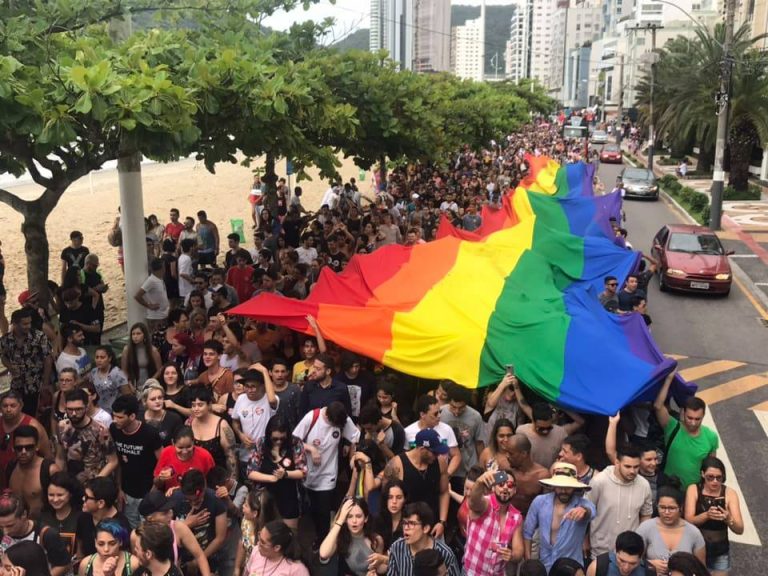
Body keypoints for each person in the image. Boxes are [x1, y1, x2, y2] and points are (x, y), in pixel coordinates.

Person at [293, 401, 359, 548]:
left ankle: (323, 539)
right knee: (313, 508)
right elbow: (294, 440)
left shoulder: (343, 419)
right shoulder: (312, 417)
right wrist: (311, 449)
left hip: (328, 472)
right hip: (308, 471)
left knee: (323, 508)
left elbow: (355, 436)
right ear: (328, 416)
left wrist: (350, 449)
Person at [377, 429, 450, 539]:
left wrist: (442, 522)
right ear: (422, 449)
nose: (437, 455)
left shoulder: (440, 463)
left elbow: (444, 492)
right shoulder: (397, 465)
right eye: (434, 452)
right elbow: (386, 498)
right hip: (406, 527)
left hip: (433, 527)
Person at [523, 462, 595, 571]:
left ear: (574, 487)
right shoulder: (540, 502)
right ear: (553, 486)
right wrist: (528, 561)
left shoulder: (582, 504)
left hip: (571, 568)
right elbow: (527, 532)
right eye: (560, 487)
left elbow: (592, 511)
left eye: (568, 487)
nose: (564, 491)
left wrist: (583, 511)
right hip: (545, 565)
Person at [588, 445, 653, 560]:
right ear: (617, 463)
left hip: (631, 553)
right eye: (627, 466)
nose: (632, 471)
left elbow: (646, 516)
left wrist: (640, 543)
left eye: (636, 467)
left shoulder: (644, 485)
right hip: (601, 551)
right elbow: (586, 511)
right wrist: (584, 540)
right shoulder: (599, 482)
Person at [654, 372, 718, 487]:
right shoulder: (672, 426)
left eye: (697, 419)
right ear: (683, 413)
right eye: (690, 418)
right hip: (669, 488)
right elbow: (658, 406)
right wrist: (668, 379)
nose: (693, 423)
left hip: (693, 492)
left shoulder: (711, 437)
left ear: (703, 416)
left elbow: (711, 467)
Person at [109, 395, 163, 529]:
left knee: (150, 531)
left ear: (132, 416)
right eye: (114, 416)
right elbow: (118, 461)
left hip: (149, 491)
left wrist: (154, 490)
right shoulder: (114, 430)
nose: (115, 420)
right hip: (127, 494)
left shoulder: (150, 433)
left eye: (120, 417)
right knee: (132, 530)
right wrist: (119, 489)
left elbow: (162, 462)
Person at [683, 457, 743, 575]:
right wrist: (707, 515)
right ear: (702, 474)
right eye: (710, 477)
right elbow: (688, 520)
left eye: (719, 478)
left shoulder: (730, 494)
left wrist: (728, 519)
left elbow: (739, 529)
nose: (714, 481)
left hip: (720, 550)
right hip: (696, 547)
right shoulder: (694, 489)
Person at [247, 416, 306, 530]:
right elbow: (250, 472)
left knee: (290, 534)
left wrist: (285, 474)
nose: (279, 441)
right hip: (265, 497)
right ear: (269, 435)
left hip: (289, 496)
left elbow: (303, 471)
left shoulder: (295, 442)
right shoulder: (261, 443)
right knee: (265, 532)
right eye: (275, 438)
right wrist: (272, 478)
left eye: (282, 438)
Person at [635, 482, 706, 575]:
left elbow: (701, 568)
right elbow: (632, 558)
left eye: (672, 508)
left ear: (680, 508)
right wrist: (649, 564)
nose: (666, 512)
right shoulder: (646, 528)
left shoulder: (694, 533)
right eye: (662, 507)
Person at [463, 468, 524, 576]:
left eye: (509, 485)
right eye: (501, 484)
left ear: (514, 490)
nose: (505, 487)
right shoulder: (485, 503)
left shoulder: (516, 517)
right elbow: (473, 502)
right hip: (472, 572)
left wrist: (512, 555)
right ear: (494, 487)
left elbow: (519, 550)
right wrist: (480, 482)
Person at [134, 492, 211, 576]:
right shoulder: (138, 535)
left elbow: (199, 555)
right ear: (151, 518)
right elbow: (138, 561)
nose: (170, 515)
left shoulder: (179, 528)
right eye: (165, 513)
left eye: (170, 510)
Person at [167, 469, 227, 575]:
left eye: (197, 500)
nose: (193, 504)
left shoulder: (216, 500)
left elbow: (220, 538)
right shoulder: (176, 498)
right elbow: (165, 531)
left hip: (209, 555)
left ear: (204, 488)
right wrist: (186, 524)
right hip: (181, 558)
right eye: (189, 500)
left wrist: (196, 562)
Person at [0, 491, 71, 576]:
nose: (5, 531)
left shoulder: (47, 535)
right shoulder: (2, 533)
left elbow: (64, 565)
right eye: (1, 526)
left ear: (24, 515)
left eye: (10, 525)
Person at [55, 389, 118, 484]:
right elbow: (60, 457)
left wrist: (96, 483)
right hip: (71, 483)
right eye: (70, 409)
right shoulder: (62, 426)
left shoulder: (100, 430)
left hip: (94, 484)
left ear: (86, 407)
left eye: (78, 409)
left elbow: (112, 461)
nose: (74, 414)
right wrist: (58, 481)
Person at [0, 308, 53, 417]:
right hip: (16, 384)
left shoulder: (39, 336)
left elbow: (48, 359)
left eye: (29, 323)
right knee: (14, 413)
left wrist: (46, 384)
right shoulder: (5, 340)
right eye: (24, 324)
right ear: (15, 323)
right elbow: (3, 357)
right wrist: (9, 366)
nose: (28, 326)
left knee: (32, 415)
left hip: (35, 384)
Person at [385, 502, 460, 576]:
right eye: (404, 523)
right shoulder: (396, 547)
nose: (406, 528)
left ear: (425, 528)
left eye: (412, 524)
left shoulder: (445, 554)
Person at [318, 497, 384, 576]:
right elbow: (323, 553)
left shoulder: (376, 540)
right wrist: (340, 520)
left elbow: (380, 568)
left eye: (358, 516)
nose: (354, 521)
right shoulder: (340, 537)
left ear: (366, 518)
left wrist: (385, 561)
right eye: (349, 516)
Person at [231, 365, 278, 473]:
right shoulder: (241, 399)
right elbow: (235, 421)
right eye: (246, 386)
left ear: (262, 386)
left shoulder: (269, 398)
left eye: (253, 386)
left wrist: (265, 371)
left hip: (266, 455)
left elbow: (272, 400)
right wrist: (240, 435)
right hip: (245, 456)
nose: (249, 390)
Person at [440, 382, 485, 494]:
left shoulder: (476, 417)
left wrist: (480, 467)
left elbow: (479, 443)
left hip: (467, 470)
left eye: (461, 408)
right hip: (444, 469)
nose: (456, 412)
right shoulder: (439, 413)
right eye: (453, 407)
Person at [6, 425, 59, 519]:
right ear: (13, 447)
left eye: (29, 447)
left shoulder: (50, 470)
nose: (23, 451)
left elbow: (62, 502)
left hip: (43, 526)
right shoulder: (10, 467)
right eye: (19, 448)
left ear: (37, 446)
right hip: (16, 526)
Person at [186, 386, 237, 479]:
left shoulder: (222, 425)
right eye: (193, 405)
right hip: (196, 477)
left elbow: (231, 458)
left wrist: (231, 484)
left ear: (209, 405)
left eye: (200, 405)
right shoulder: (189, 423)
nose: (196, 409)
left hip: (218, 477)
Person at [403, 395, 461, 477]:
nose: (439, 416)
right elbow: (405, 457)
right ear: (423, 414)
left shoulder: (447, 429)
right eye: (435, 414)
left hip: (439, 477)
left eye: (440, 412)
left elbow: (456, 455)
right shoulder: (408, 432)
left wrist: (446, 475)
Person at [516, 403, 583, 469]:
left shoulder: (560, 432)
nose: (545, 431)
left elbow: (581, 421)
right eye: (541, 428)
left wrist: (562, 405)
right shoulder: (522, 432)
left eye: (549, 428)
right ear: (533, 421)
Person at [0, 391, 52, 474]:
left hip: (26, 476)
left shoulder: (34, 426)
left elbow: (47, 455)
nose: (8, 410)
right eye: (5, 406)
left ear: (21, 406)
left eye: (13, 406)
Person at [502, 434, 550, 516]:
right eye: (506, 452)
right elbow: (493, 493)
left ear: (524, 454)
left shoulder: (542, 475)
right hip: (508, 520)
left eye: (511, 453)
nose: (507, 456)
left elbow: (547, 506)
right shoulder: (505, 470)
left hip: (532, 522)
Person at [39, 471, 82, 560]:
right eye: (51, 495)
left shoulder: (81, 517)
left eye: (60, 495)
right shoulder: (43, 517)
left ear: (70, 494)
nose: (55, 499)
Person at [242, 520, 309, 576]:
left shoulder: (296, 569)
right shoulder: (256, 551)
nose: (258, 543)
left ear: (277, 548)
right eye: (259, 536)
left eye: (262, 542)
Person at [299, 351, 352, 416]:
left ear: (328, 371)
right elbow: (302, 412)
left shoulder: (341, 388)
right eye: (314, 367)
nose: (313, 371)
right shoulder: (308, 386)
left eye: (318, 369)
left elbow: (347, 414)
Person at [587, 531, 655, 576]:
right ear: (616, 551)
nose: (626, 567)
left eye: (632, 563)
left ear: (641, 558)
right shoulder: (598, 567)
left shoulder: (649, 572)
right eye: (622, 560)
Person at [121, 323, 162, 395]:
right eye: (133, 334)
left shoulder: (153, 350)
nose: (135, 336)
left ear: (144, 335)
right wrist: (130, 384)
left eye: (138, 333)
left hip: (149, 385)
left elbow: (160, 369)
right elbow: (124, 370)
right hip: (133, 385)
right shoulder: (127, 350)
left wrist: (149, 382)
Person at [89, 346, 131, 414]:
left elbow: (127, 395)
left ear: (109, 358)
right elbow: (92, 391)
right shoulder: (93, 372)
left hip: (115, 411)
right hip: (99, 410)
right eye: (97, 357)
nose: (99, 360)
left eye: (102, 357)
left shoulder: (117, 374)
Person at [141, 380, 183, 447]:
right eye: (153, 399)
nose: (157, 401)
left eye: (160, 398)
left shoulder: (174, 419)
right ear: (144, 401)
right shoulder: (138, 417)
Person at [269, 359, 302, 431]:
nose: (280, 375)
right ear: (270, 372)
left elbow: (300, 413)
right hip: (269, 432)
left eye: (283, 371)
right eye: (276, 371)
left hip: (291, 432)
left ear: (287, 373)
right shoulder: (265, 390)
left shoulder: (295, 389)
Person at [374, 480, 406, 549]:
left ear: (405, 499)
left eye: (399, 497)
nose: (394, 501)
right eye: (390, 497)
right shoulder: (378, 519)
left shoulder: (409, 520)